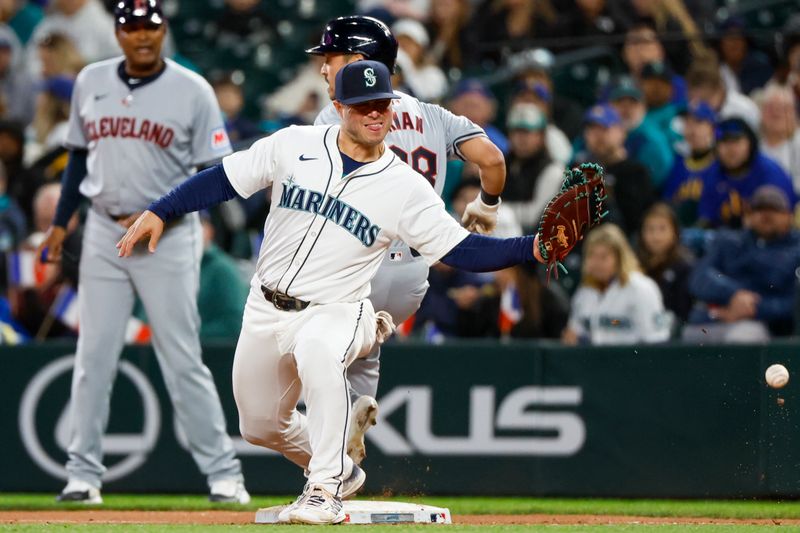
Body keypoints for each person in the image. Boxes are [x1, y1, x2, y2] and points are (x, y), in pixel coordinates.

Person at [116, 60, 551, 524]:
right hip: (266, 306)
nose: (374, 114)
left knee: (321, 353)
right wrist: (163, 210)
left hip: (338, 309)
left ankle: (323, 490)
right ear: (338, 106)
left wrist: (535, 247)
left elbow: (463, 250)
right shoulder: (294, 144)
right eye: (362, 106)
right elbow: (223, 179)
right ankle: (340, 469)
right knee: (259, 424)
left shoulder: (405, 186)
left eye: (381, 104)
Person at [36, 0, 249, 505]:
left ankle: (224, 473)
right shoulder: (90, 81)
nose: (142, 37)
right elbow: (78, 160)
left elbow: (216, 175)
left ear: (163, 30)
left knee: (181, 357)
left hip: (167, 238)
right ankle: (82, 475)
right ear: (118, 33)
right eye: (132, 28)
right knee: (93, 356)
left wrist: (166, 214)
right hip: (103, 234)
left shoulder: (192, 89)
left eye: (150, 27)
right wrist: (62, 222)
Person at [307, 15, 506, 459]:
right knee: (363, 353)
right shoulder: (432, 114)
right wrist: (486, 206)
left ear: (359, 60)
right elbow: (492, 159)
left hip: (356, 266)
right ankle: (347, 445)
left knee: (306, 352)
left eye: (332, 57)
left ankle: (327, 460)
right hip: (414, 278)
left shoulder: (338, 112)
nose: (323, 67)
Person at [685, 185, 800, 342]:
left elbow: (793, 303)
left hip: (770, 327)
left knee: (742, 336)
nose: (766, 215)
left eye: (774, 210)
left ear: (788, 216)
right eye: (759, 209)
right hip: (720, 316)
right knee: (690, 335)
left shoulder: (796, 248)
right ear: (749, 216)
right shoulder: (730, 240)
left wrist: (753, 308)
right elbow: (699, 277)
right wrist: (735, 294)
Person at [562, 223, 671, 346]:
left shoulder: (642, 288)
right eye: (592, 255)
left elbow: (656, 340)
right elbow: (574, 333)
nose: (596, 263)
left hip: (632, 362)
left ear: (619, 258)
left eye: (603, 257)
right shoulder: (585, 291)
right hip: (595, 362)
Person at [697, 117, 796, 228]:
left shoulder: (770, 172)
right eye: (724, 142)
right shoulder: (713, 173)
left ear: (750, 143)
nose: (731, 149)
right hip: (725, 239)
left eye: (736, 142)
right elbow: (706, 220)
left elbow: (782, 223)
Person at [636, 203, 694, 327]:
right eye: (650, 229)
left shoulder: (684, 265)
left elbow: (683, 312)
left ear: (674, 233)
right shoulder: (634, 265)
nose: (656, 236)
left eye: (662, 229)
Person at [662, 100, 717, 226]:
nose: (692, 129)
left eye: (699, 122)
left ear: (712, 128)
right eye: (688, 122)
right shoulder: (677, 161)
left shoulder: (722, 164)